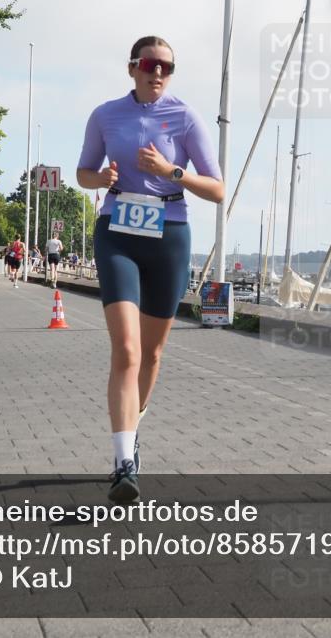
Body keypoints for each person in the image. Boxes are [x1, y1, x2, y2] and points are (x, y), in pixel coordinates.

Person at [77, 35, 224, 503]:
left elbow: (218, 190)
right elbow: (83, 171)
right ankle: (123, 462)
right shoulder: (105, 115)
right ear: (132, 68)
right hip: (118, 231)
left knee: (153, 354)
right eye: (149, 64)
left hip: (169, 234)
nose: (157, 73)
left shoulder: (185, 117)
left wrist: (171, 171)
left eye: (166, 67)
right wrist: (98, 179)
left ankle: (132, 432)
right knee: (126, 348)